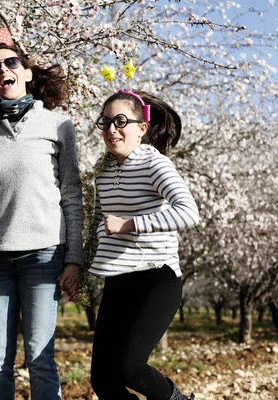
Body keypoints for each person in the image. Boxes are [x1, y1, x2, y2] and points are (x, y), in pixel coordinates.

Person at [0, 28, 83, 400]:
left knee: (41, 359)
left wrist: (73, 259)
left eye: (11, 62)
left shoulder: (59, 125)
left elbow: (72, 194)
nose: (2, 71)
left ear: (27, 71)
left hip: (44, 255)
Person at [88, 90, 199, 400]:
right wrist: (79, 268)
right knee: (103, 380)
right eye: (106, 122)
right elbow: (98, 222)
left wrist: (131, 224)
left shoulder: (154, 164)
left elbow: (189, 212)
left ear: (142, 127)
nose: (112, 129)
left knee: (129, 368)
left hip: (156, 278)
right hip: (118, 279)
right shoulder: (104, 170)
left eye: (121, 121)